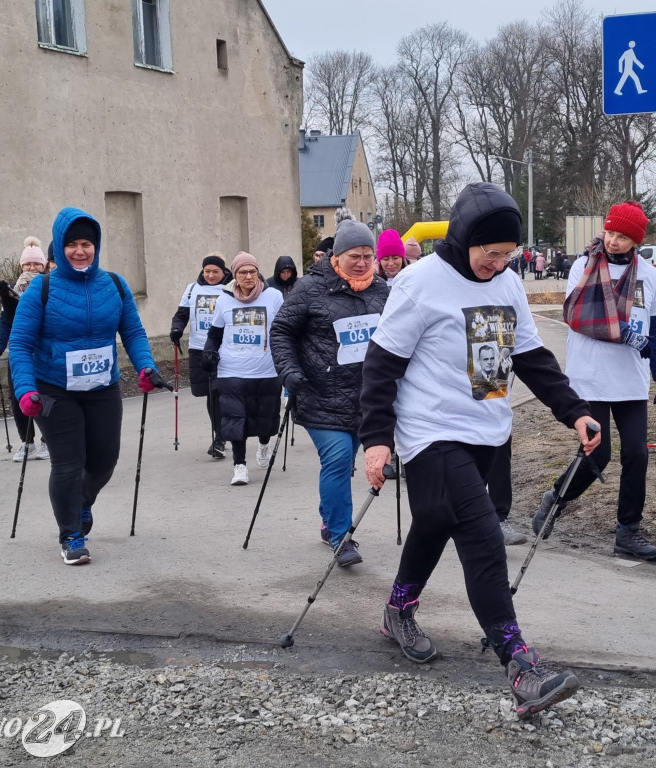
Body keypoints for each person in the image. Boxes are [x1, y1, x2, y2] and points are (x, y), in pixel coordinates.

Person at [360, 182, 600, 719]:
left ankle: (398, 608)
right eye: (490, 253)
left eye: (506, 255)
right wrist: (376, 441)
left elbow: (532, 357)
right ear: (466, 239)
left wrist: (575, 410)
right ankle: (520, 665)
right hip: (430, 430)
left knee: (435, 521)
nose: (498, 264)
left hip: (488, 430)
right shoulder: (421, 284)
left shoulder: (509, 283)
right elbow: (380, 368)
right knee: (483, 536)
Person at [8, 207, 165, 566]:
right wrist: (25, 390)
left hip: (102, 386)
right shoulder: (41, 290)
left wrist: (146, 367)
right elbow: (19, 345)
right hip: (53, 388)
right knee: (68, 460)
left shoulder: (114, 284)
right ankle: (71, 535)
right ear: (59, 247)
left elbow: (134, 332)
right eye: (72, 244)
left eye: (87, 244)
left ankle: (81, 504)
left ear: (96, 246)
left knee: (104, 460)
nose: (80, 251)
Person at [532, 201, 656, 561]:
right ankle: (556, 499)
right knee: (599, 453)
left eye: (622, 236)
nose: (613, 241)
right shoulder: (585, 266)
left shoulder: (649, 276)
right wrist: (624, 334)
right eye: (610, 233)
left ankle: (628, 531)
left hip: (631, 381)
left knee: (637, 455)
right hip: (591, 378)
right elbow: (579, 316)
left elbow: (655, 331)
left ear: (636, 240)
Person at [270, 213, 389, 567]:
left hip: (368, 399)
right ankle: (341, 536)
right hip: (320, 393)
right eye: (355, 255)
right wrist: (289, 371)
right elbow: (281, 332)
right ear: (337, 257)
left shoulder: (383, 291)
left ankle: (328, 518)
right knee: (337, 459)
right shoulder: (310, 288)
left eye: (369, 255)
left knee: (345, 463)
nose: (363, 262)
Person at [202, 252, 284, 486]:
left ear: (258, 273)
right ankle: (239, 466)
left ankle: (264, 444)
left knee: (265, 418)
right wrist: (209, 353)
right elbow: (215, 334)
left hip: (266, 370)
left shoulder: (273, 297)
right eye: (242, 272)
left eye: (252, 271)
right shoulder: (224, 299)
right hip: (231, 370)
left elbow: (285, 330)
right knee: (234, 418)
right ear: (235, 275)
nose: (248, 276)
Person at [0, 236, 49, 462]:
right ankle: (27, 442)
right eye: (27, 264)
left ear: (43, 266)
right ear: (21, 266)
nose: (32, 268)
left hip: (43, 352)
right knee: (17, 397)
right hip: (19, 353)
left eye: (36, 264)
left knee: (46, 396)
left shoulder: (49, 288)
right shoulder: (12, 289)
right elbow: (8, 322)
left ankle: (48, 440)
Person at [169, 253, 232, 458]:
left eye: (215, 271)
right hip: (199, 348)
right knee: (207, 392)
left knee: (218, 392)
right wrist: (177, 329)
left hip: (224, 347)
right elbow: (181, 315)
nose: (211, 275)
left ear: (223, 272)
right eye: (207, 271)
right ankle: (220, 433)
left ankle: (220, 437)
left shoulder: (231, 288)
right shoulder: (192, 289)